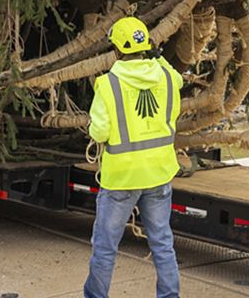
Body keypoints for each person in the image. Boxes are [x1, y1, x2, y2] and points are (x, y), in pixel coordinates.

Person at [83, 16, 183, 298]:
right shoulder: (166, 77)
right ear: (147, 46)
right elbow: (177, 78)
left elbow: (100, 131)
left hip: (122, 178)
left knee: (105, 246)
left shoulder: (108, 84)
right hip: (159, 173)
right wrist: (158, 57)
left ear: (116, 50)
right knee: (162, 243)